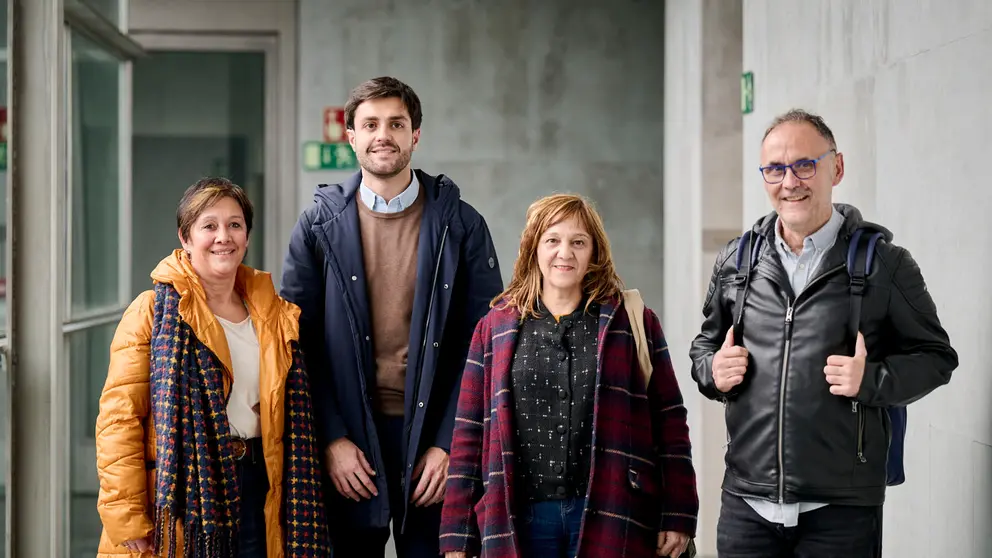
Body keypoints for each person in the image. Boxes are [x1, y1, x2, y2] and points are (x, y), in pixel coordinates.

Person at [689, 109, 959, 557]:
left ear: (836, 167)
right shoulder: (737, 263)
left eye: (804, 165)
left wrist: (872, 381)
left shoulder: (884, 265)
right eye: (775, 169)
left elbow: (936, 357)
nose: (789, 181)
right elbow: (705, 346)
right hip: (745, 506)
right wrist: (713, 370)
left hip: (842, 512)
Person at [279, 76, 504, 558]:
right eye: (371, 123)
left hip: (433, 444)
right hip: (350, 443)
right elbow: (298, 346)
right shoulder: (317, 226)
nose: (384, 134)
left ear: (415, 135)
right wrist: (332, 438)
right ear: (351, 135)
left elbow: (484, 344)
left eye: (396, 124)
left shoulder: (462, 226)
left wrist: (450, 443)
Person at [440, 193, 699, 558]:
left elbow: (670, 420)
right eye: (553, 240)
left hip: (613, 509)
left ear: (594, 252)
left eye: (579, 242)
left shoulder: (632, 321)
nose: (565, 253)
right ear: (534, 248)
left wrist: (679, 512)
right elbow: (468, 433)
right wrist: (456, 536)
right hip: (518, 517)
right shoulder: (494, 328)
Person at [94, 178, 330, 558]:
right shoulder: (152, 313)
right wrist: (126, 515)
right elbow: (119, 423)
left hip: (261, 487)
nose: (224, 236)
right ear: (185, 238)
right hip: (184, 497)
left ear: (247, 236)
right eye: (209, 225)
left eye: (235, 225)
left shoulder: (275, 316)